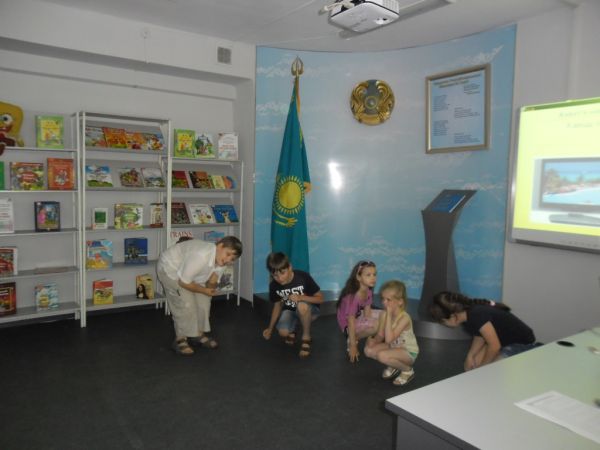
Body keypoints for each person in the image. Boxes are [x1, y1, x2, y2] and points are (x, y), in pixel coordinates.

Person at [157, 236, 242, 356]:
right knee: (185, 303)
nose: (228, 260)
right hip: (170, 270)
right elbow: (183, 282)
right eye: (228, 254)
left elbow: (210, 286)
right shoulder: (201, 255)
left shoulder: (222, 261)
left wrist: (212, 282)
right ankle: (180, 339)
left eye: (232, 258)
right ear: (219, 246)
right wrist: (204, 290)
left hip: (192, 275)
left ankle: (197, 334)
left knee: (204, 301)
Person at [429, 291, 536, 371]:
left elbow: (494, 346)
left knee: (492, 371)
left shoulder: (476, 314)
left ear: (452, 316)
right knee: (472, 365)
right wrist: (470, 356)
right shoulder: (466, 314)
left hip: (520, 344)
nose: (444, 325)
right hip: (502, 342)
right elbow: (479, 335)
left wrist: (482, 369)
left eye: (443, 322)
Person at [262, 252, 323, 358]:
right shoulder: (274, 286)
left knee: (302, 306)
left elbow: (320, 299)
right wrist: (270, 329)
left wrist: (301, 297)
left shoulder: (303, 277)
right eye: (275, 275)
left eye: (283, 273)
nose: (280, 278)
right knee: (283, 333)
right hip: (290, 311)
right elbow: (277, 306)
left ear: (290, 267)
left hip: (310, 311)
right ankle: (294, 328)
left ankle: (306, 337)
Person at [364, 280, 419, 386]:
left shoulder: (404, 318)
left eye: (388, 300)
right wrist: (373, 341)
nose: (384, 302)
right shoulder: (383, 315)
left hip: (408, 352)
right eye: (383, 299)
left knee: (382, 356)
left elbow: (389, 339)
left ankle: (407, 370)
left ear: (400, 301)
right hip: (394, 346)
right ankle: (394, 365)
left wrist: (388, 316)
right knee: (368, 350)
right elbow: (380, 335)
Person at [336, 260, 380, 363]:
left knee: (385, 316)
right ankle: (353, 338)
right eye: (368, 275)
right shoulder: (352, 297)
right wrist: (353, 346)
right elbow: (350, 322)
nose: (373, 278)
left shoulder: (368, 291)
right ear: (358, 277)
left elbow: (367, 312)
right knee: (377, 325)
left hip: (358, 317)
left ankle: (371, 338)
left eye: (374, 274)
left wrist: (369, 329)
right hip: (348, 325)